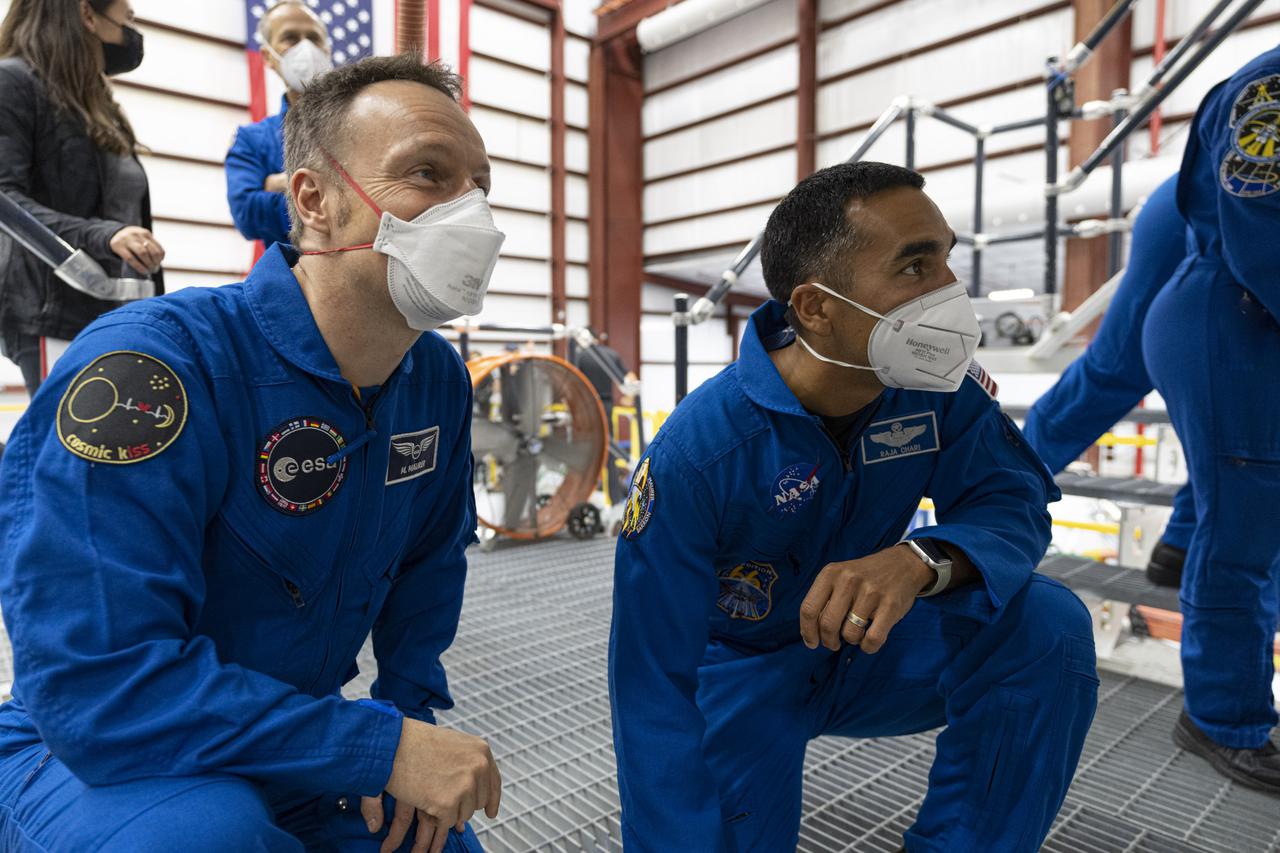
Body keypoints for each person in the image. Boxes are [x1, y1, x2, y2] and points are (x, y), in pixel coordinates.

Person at [0, 53, 506, 851]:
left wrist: (406, 715)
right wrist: (375, 746)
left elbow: (430, 568)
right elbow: (98, 687)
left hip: (286, 735)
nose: (470, 213)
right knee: (210, 837)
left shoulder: (436, 382)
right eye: (429, 175)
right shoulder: (153, 371)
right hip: (94, 752)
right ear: (314, 201)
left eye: (481, 186)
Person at [609, 162, 1098, 852]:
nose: (951, 291)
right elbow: (650, 680)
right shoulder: (699, 453)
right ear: (815, 307)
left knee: (1045, 625)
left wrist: (923, 559)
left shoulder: (935, 391)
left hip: (868, 642)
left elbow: (1009, 498)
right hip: (739, 671)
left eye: (946, 260)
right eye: (913, 267)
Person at [1141, 44, 1280, 795]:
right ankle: (1222, 717)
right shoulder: (1277, 87)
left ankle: (1179, 542)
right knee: (1244, 532)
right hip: (1238, 316)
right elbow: (1266, 233)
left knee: (1238, 500)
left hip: (1246, 319)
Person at [1022, 174, 1194, 587]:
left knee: (1108, 373)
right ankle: (1003, 492)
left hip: (1193, 206)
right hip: (1198, 212)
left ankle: (1187, 540)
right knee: (1111, 372)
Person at [0, 0, 165, 397]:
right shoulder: (13, 81)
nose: (132, 33)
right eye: (127, 20)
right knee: (78, 450)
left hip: (123, 312)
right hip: (52, 312)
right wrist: (102, 236)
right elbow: (5, 199)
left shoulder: (100, 105)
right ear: (88, 15)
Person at [225, 0, 331, 249]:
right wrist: (331, 187)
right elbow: (247, 215)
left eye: (314, 38)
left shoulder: (360, 124)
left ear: (326, 49)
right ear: (268, 56)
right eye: (291, 38)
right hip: (292, 278)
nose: (305, 47)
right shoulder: (251, 139)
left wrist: (284, 184)